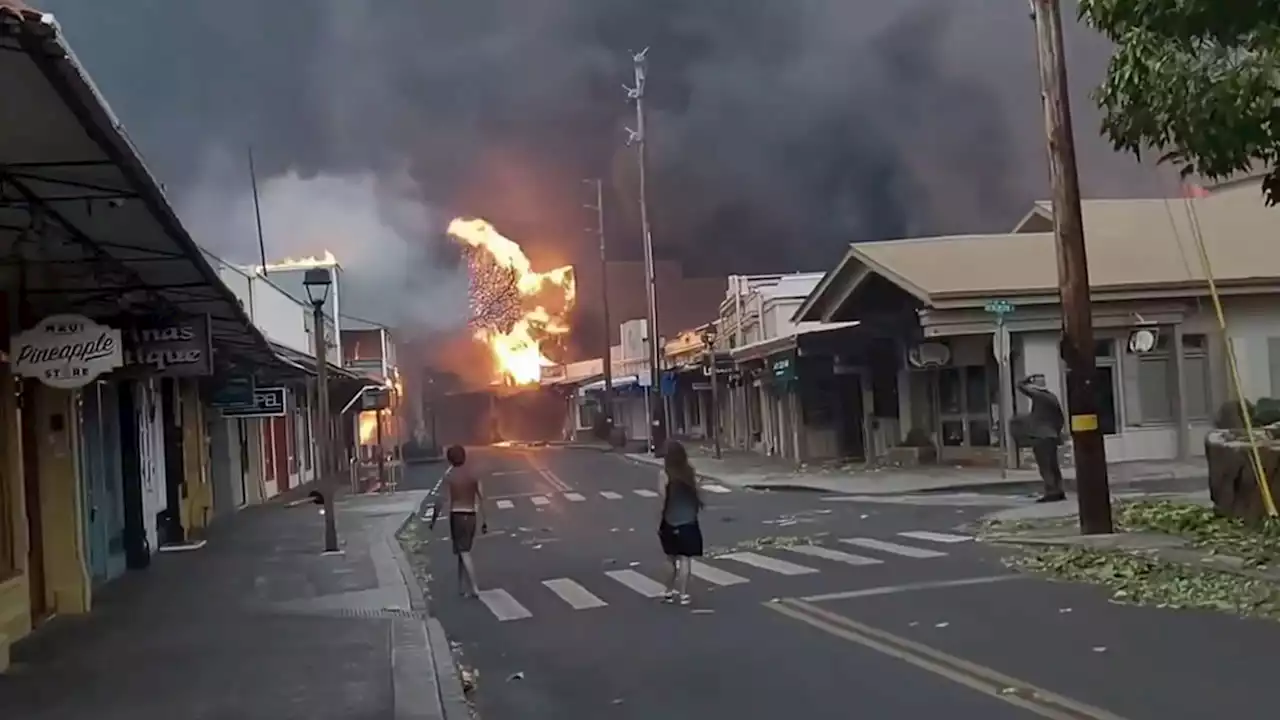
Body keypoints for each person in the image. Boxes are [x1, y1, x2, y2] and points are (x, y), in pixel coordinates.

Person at [428, 445, 488, 597]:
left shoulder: (450, 476)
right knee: (462, 551)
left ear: (450, 459)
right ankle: (462, 587)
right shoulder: (473, 474)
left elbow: (440, 500)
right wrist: (485, 521)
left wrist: (433, 520)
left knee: (463, 551)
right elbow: (482, 497)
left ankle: (474, 587)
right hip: (471, 516)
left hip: (457, 516)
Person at [657, 440, 705, 605]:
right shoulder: (689, 472)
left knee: (670, 558)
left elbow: (663, 499)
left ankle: (668, 592)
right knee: (685, 559)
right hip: (689, 521)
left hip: (671, 520)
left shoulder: (664, 474)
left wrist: (661, 516)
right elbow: (697, 493)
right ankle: (684, 594)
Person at [1014, 374, 1067, 503]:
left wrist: (1027, 378)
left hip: (1040, 436)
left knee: (1045, 466)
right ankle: (1059, 490)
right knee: (1054, 465)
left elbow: (1020, 386)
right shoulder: (1052, 397)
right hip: (1052, 436)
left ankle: (1051, 492)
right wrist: (1055, 431)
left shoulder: (1039, 396)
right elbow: (1061, 418)